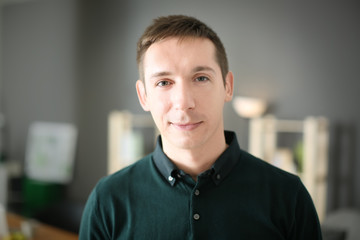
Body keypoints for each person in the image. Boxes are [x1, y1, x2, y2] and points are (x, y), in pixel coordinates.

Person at [79, 15, 322, 239]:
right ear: (143, 96)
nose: (184, 103)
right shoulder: (107, 200)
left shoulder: (289, 196)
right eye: (164, 82)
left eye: (201, 78)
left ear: (227, 86)